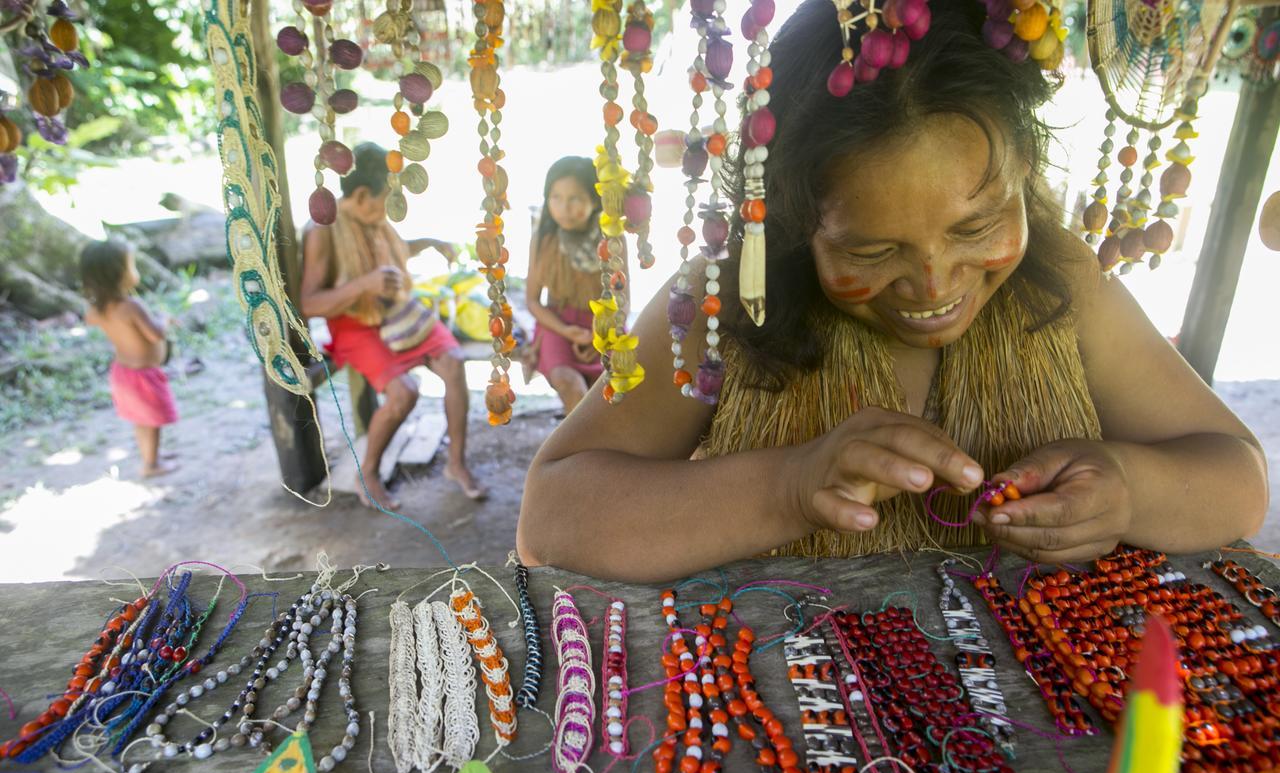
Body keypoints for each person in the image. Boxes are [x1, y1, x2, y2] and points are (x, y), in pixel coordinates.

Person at [517, 0, 1269, 581]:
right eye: (871, 249)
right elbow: (551, 516)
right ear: (788, 221)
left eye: (977, 228)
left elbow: (1236, 477)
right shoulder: (722, 303)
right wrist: (788, 487)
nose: (935, 283)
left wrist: (1131, 490)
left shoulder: (1060, 281)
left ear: (1027, 178)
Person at [301, 142, 486, 507]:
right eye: (387, 197)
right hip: (354, 324)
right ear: (362, 194)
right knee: (404, 393)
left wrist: (430, 243)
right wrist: (364, 285)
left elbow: (395, 250)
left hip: (400, 312)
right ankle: (368, 471)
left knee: (453, 362)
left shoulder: (374, 216)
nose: (392, 206)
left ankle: (456, 463)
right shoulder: (323, 226)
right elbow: (308, 302)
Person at [524, 156, 616, 414]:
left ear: (594, 200)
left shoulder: (611, 238)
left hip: (604, 327)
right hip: (556, 326)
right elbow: (532, 301)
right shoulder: (543, 239)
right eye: (556, 197)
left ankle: (588, 450)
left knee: (605, 397)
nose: (563, 207)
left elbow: (623, 298)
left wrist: (600, 337)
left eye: (574, 198)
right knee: (571, 385)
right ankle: (581, 453)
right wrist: (568, 332)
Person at [82, 240, 179, 478]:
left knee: (142, 420)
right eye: (131, 266)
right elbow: (155, 333)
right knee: (153, 421)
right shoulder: (132, 306)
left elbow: (90, 319)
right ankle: (151, 465)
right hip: (144, 376)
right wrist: (164, 319)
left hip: (123, 374)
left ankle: (151, 455)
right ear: (120, 274)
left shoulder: (99, 309)